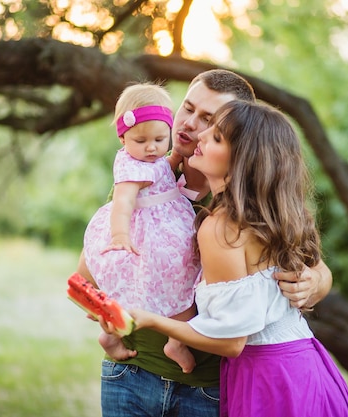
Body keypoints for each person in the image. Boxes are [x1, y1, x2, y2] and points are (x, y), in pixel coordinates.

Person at [77, 69, 333, 417]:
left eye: (209, 120)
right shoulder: (144, 177)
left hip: (208, 389)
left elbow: (308, 261)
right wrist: (111, 318)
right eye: (188, 108)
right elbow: (91, 272)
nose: (189, 124)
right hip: (133, 373)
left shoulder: (239, 200)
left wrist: (315, 282)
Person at [128, 99, 348, 417]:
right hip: (306, 365)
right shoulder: (271, 218)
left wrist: (152, 320)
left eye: (217, 137)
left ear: (241, 162)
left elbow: (231, 340)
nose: (202, 136)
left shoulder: (221, 228)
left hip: (268, 377)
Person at [81, 83, 199, 373]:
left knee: (180, 285)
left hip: (167, 229)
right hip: (144, 235)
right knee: (137, 286)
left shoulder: (158, 157)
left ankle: (171, 340)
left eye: (160, 139)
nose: (151, 148)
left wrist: (173, 158)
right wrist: (120, 236)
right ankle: (128, 337)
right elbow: (122, 203)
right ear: (123, 137)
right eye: (141, 140)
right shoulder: (130, 168)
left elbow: (164, 168)